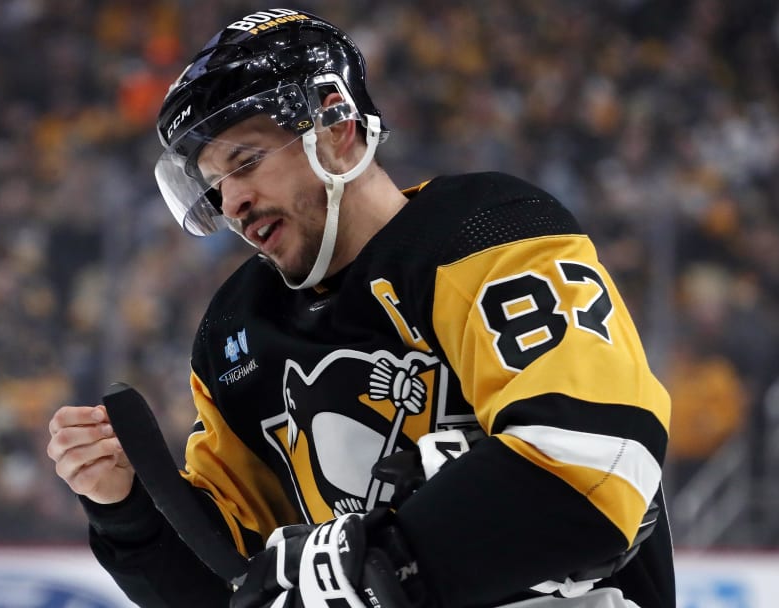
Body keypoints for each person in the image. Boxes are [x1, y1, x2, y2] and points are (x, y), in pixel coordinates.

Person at [47, 8, 674, 608]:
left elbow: (590, 456)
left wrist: (380, 563)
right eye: (214, 185)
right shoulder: (235, 333)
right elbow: (237, 585)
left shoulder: (486, 234)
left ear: (336, 126)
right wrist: (125, 509)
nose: (231, 202)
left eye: (246, 161)